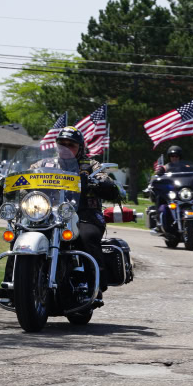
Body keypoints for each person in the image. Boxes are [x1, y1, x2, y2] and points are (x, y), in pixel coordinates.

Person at [57, 126, 122, 294]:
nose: (66, 148)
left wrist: (101, 182)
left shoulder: (91, 165)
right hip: (51, 214)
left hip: (85, 214)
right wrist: (7, 181)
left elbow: (106, 180)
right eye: (62, 144)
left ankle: (96, 284)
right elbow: (26, 176)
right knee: (22, 234)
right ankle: (11, 284)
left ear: (80, 148)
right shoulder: (46, 164)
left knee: (86, 236)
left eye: (71, 145)